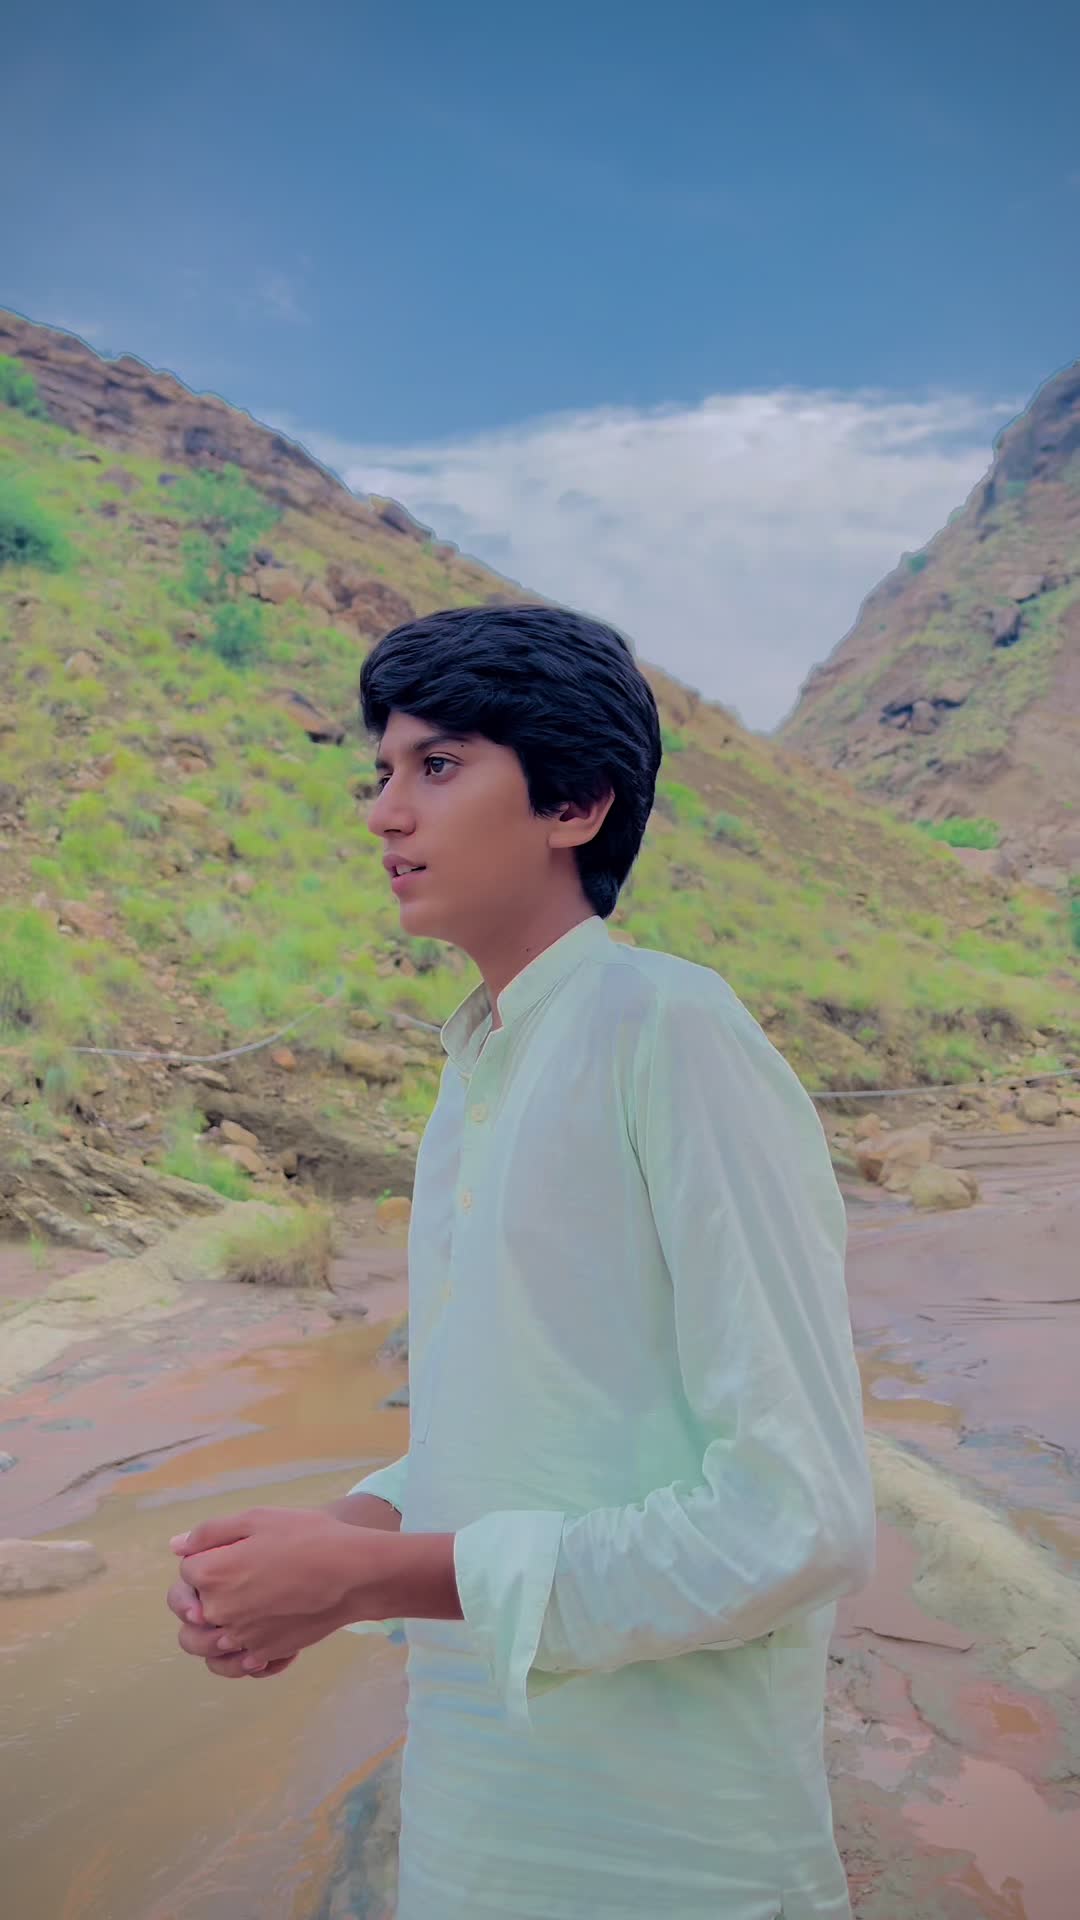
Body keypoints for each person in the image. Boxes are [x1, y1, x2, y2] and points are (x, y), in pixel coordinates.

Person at [167, 604, 876, 1919]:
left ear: (576, 803)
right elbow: (520, 1428)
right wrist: (343, 1542)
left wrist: (378, 1579)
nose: (385, 813)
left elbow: (799, 1520)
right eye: (381, 771)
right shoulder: (479, 1066)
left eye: (438, 766)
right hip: (479, 1820)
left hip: (674, 1853)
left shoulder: (669, 1028)